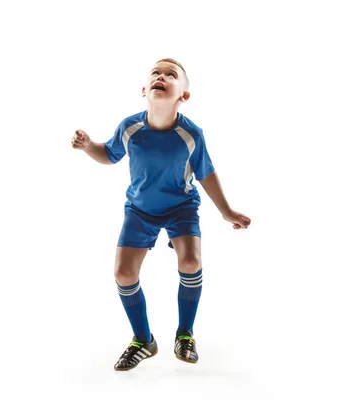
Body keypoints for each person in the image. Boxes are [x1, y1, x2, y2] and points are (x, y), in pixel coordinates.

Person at [71, 58, 251, 371]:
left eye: (171, 75)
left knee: (191, 261)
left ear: (184, 95)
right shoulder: (131, 127)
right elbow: (108, 154)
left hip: (181, 207)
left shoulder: (191, 134)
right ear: (144, 89)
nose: (161, 76)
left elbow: (206, 173)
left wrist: (226, 211)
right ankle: (143, 340)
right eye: (156, 73)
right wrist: (89, 146)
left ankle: (185, 334)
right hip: (140, 210)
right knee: (123, 273)